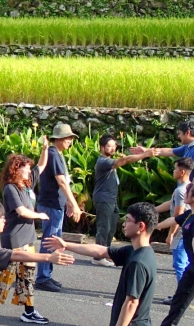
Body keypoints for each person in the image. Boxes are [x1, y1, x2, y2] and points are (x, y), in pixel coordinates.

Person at [0, 140, 50, 325]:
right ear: (16, 169)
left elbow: (41, 165)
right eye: (25, 167)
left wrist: (45, 149)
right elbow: (21, 211)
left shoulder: (27, 185)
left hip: (28, 240)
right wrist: (40, 215)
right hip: (14, 240)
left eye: (28, 167)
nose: (29, 170)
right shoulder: (10, 189)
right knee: (4, 278)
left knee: (27, 278)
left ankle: (29, 312)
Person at [92, 135, 157, 267]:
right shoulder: (103, 161)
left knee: (111, 228)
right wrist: (144, 154)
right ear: (102, 147)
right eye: (109, 146)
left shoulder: (108, 160)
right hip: (104, 199)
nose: (112, 148)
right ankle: (98, 257)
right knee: (104, 228)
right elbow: (125, 160)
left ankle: (105, 253)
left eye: (114, 146)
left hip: (111, 200)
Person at [35, 122, 82, 292]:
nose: (70, 141)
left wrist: (68, 202)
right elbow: (61, 181)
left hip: (55, 203)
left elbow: (63, 181)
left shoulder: (57, 154)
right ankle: (42, 277)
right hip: (51, 204)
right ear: (59, 139)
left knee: (53, 240)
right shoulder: (54, 154)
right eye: (67, 138)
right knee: (50, 240)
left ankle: (46, 274)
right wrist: (74, 204)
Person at [152, 183, 194, 326]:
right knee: (180, 298)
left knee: (181, 297)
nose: (185, 194)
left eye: (188, 192)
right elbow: (173, 220)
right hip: (192, 267)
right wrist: (153, 227)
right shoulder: (189, 215)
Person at [154, 158, 193, 298]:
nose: (173, 171)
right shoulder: (187, 188)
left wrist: (170, 235)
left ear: (182, 172)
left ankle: (181, 295)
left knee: (179, 264)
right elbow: (171, 203)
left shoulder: (181, 190)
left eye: (175, 168)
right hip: (184, 231)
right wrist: (152, 211)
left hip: (180, 233)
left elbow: (177, 216)